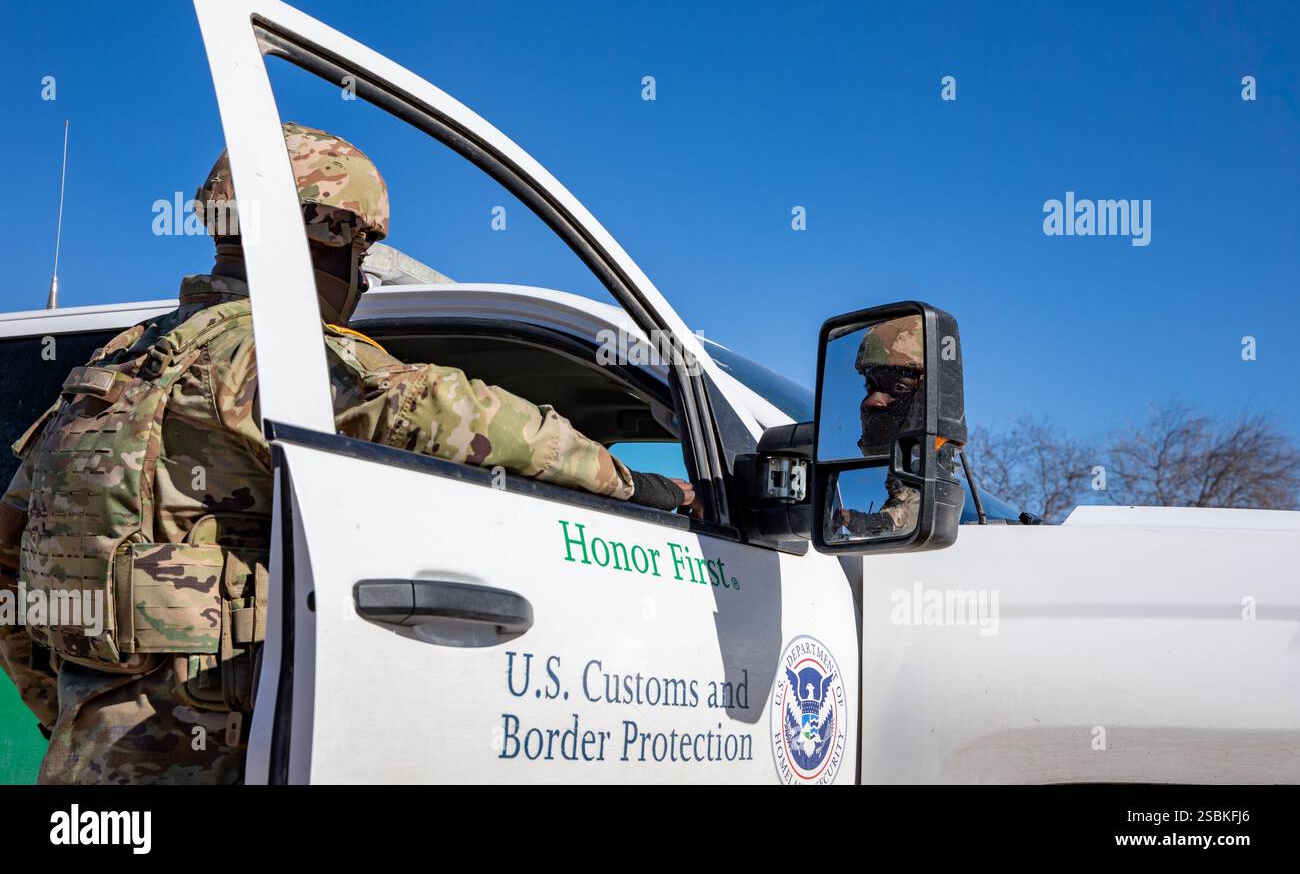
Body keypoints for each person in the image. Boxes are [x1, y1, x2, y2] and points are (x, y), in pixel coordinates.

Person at [0, 122, 693, 784]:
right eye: (359, 250)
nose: (360, 278)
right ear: (327, 229)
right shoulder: (272, 353)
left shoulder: (115, 367)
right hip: (225, 755)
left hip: (88, 759)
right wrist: (640, 487)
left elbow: (10, 558)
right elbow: (455, 417)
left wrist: (69, 709)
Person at [834, 316, 925, 537]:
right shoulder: (901, 473)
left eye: (900, 387)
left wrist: (852, 518)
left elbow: (908, 518)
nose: (872, 401)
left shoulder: (928, 486)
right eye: (870, 386)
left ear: (927, 400)